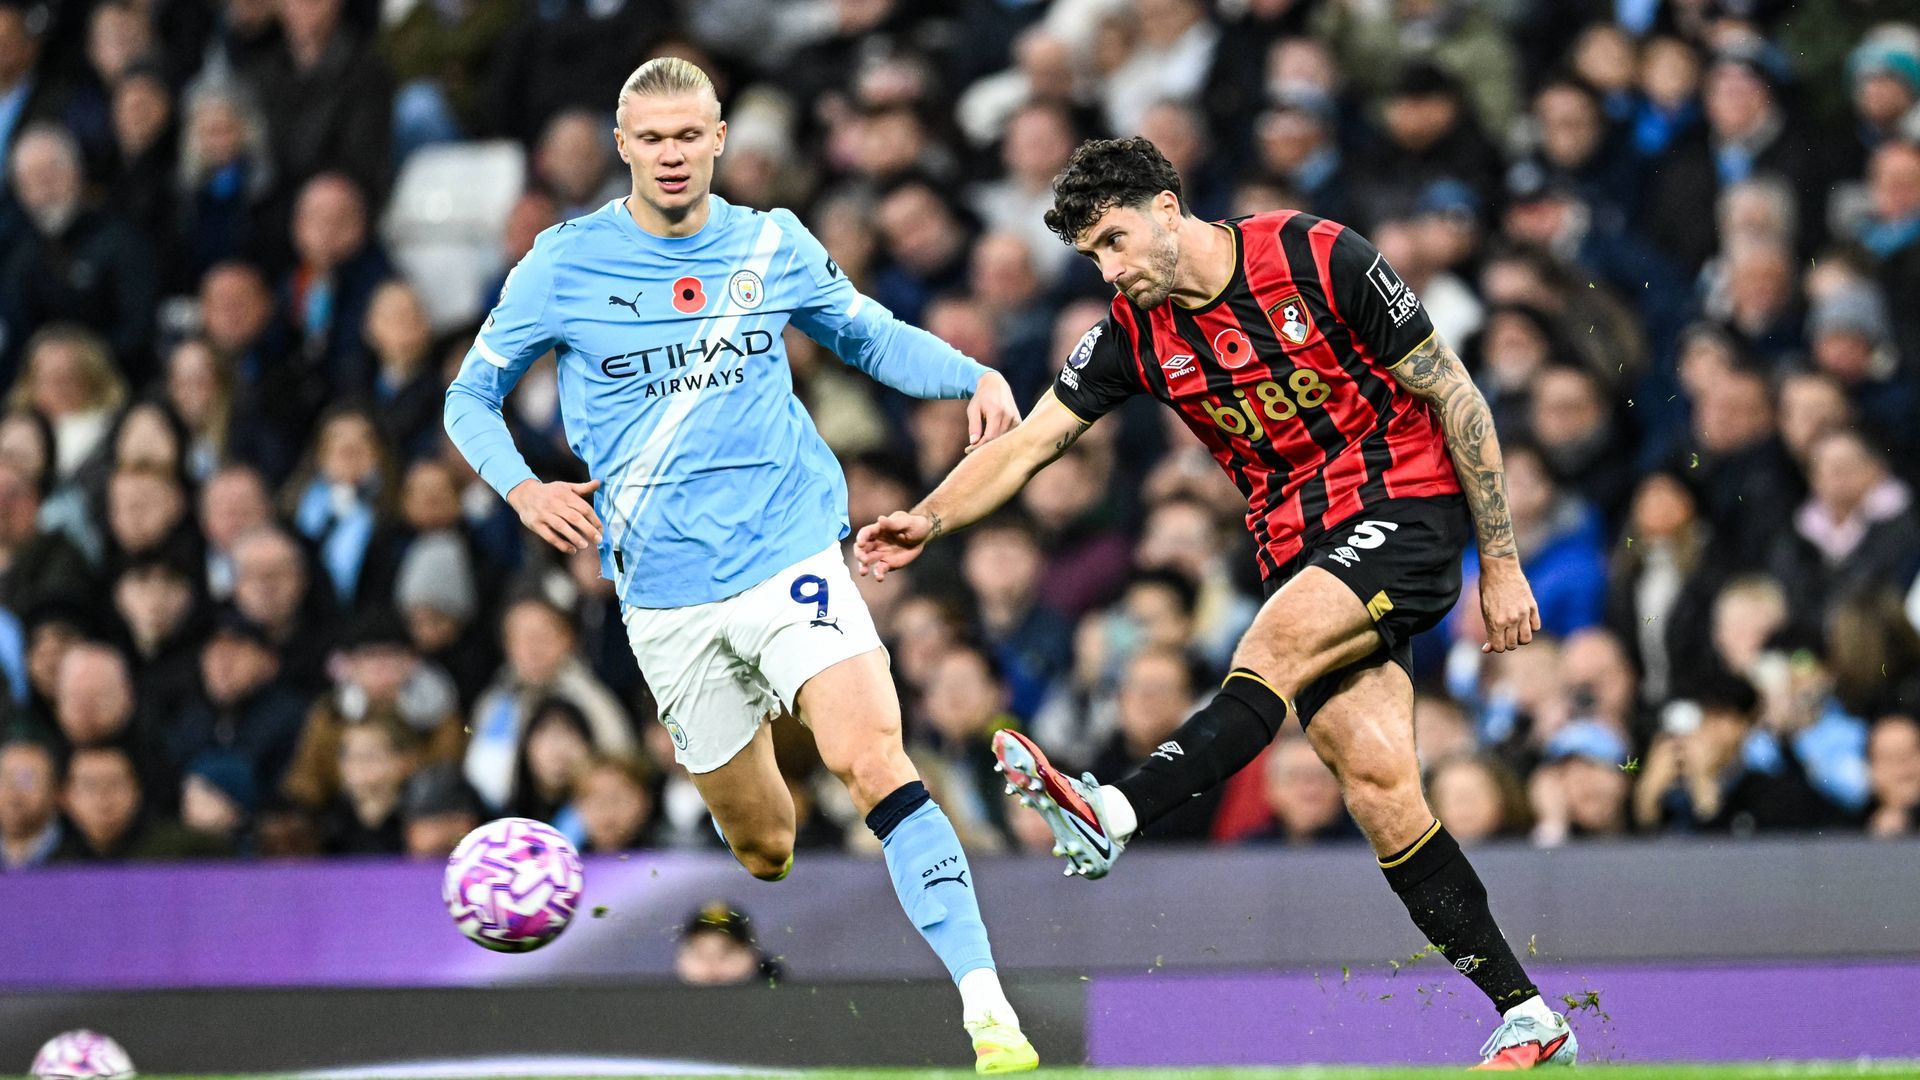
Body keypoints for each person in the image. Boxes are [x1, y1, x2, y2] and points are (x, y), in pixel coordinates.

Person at [858, 136, 1574, 1070]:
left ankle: (1114, 810)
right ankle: (1527, 1014)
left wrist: (1503, 563)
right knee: (1379, 787)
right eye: (1092, 257)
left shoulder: (1318, 254)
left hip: (1404, 501)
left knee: (1266, 653)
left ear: (1166, 205)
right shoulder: (1130, 333)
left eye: (1116, 240)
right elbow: (1031, 444)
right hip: (1296, 543)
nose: (1111, 270)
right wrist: (929, 518)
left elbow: (1456, 395)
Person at [442, 58, 1034, 1072]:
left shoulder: (772, 243)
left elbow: (868, 337)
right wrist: (525, 488)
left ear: (718, 138)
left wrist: (969, 372)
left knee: (874, 759)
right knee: (765, 847)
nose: (672, 155)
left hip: (788, 552)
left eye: (689, 135)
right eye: (652, 138)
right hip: (666, 597)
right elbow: (468, 399)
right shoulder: (562, 264)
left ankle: (989, 1011)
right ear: (623, 146)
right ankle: (769, 825)